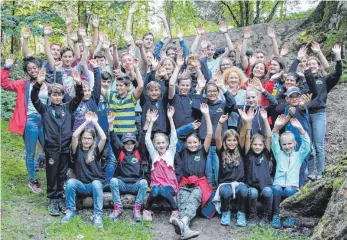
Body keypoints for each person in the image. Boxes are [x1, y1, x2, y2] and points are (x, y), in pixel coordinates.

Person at [31, 67, 84, 216]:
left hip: (65, 148)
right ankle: (52, 198)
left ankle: (60, 196)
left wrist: (78, 84)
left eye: (59, 95)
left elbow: (78, 97)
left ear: (62, 96)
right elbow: (33, 98)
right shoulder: (45, 110)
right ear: (49, 96)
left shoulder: (67, 108)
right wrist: (38, 84)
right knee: (52, 173)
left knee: (62, 173)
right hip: (52, 148)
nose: (57, 97)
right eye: (54, 95)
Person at [1, 56, 52, 193]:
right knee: (30, 152)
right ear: (27, 72)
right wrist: (7, 68)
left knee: (50, 149)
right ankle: (32, 180)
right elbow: (4, 84)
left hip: (45, 121)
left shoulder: (48, 84)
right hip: (30, 121)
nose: (32, 70)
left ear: (39, 69)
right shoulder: (23, 85)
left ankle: (54, 177)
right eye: (30, 69)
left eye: (34, 68)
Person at [171, 103, 213, 240]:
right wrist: (188, 127)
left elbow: (209, 134)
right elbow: (174, 135)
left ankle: (182, 224)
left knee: (194, 198)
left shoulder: (203, 150)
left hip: (199, 184)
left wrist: (206, 115)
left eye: (195, 142)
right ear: (186, 144)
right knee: (183, 201)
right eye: (189, 142)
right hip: (185, 183)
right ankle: (185, 227)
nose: (192, 145)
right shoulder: (183, 151)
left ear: (199, 143)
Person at [62, 112, 107, 228]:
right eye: (84, 138)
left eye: (89, 138)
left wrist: (95, 123)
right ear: (81, 139)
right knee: (70, 182)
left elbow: (103, 137)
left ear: (93, 140)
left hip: (93, 185)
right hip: (81, 184)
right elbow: (74, 136)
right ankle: (71, 210)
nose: (86, 141)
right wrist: (86, 122)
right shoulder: (77, 151)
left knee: (97, 183)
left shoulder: (96, 151)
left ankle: (97, 215)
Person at [304, 44, 342, 180]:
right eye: (309, 64)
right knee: (308, 145)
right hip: (306, 114)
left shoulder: (324, 80)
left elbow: (337, 74)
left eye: (314, 64)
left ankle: (320, 173)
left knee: (318, 145)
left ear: (319, 66)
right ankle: (310, 173)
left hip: (319, 113)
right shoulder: (304, 81)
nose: (312, 66)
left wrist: (338, 57)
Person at [192, 78, 236, 189]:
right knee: (207, 171)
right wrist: (200, 88)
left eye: (214, 91)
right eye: (209, 91)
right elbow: (194, 105)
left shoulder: (223, 105)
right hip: (205, 143)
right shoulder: (203, 104)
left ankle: (220, 193)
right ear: (206, 93)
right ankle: (209, 194)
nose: (212, 93)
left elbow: (232, 103)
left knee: (218, 170)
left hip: (219, 144)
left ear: (218, 92)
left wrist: (222, 87)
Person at [271, 116, 311, 228]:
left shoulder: (298, 155)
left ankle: (290, 216)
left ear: (294, 143)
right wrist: (276, 127)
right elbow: (274, 142)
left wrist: (300, 129)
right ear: (281, 145)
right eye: (284, 144)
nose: (287, 146)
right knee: (276, 188)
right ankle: (276, 215)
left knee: (289, 190)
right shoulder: (278, 154)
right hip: (279, 184)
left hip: (292, 186)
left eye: (289, 144)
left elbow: (307, 145)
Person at [108, 112, 148, 222]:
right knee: (113, 181)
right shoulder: (120, 152)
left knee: (144, 183)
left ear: (135, 143)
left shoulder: (138, 151)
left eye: (131, 143)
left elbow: (142, 138)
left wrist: (148, 122)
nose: (129, 145)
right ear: (123, 143)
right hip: (123, 184)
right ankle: (118, 207)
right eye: (127, 143)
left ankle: (137, 208)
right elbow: (113, 139)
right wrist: (111, 125)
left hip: (135, 184)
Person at [143, 107, 179, 223]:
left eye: (163, 142)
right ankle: (147, 210)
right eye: (158, 143)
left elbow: (174, 136)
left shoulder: (170, 153)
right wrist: (151, 122)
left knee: (163, 191)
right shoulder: (154, 154)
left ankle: (175, 211)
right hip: (156, 184)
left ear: (167, 143)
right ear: (155, 144)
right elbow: (147, 139)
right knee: (155, 191)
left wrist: (170, 118)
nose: (161, 145)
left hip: (169, 185)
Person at [213, 114, 248, 227]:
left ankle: (241, 214)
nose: (232, 142)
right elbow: (217, 137)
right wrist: (220, 123)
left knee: (243, 190)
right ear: (225, 141)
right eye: (229, 140)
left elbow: (242, 134)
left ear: (237, 141)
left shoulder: (241, 151)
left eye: (234, 140)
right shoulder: (222, 151)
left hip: (239, 183)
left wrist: (245, 121)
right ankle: (225, 212)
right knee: (226, 191)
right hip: (225, 184)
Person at [241, 107, 273, 226]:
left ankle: (266, 216)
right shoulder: (249, 154)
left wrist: (265, 120)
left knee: (269, 192)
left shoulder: (266, 153)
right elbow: (247, 138)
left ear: (264, 146)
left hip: (265, 186)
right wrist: (249, 122)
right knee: (253, 193)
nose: (257, 147)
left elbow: (269, 137)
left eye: (260, 144)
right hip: (252, 185)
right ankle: (252, 216)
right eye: (255, 144)